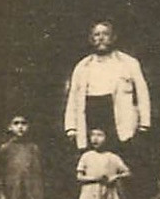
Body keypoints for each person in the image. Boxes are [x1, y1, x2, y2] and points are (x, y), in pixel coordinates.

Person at [63, 20, 151, 158]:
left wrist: (144, 124)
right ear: (91, 39)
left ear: (113, 37)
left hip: (119, 117)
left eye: (105, 34)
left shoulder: (129, 63)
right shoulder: (82, 66)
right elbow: (73, 97)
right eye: (97, 35)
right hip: (91, 114)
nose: (101, 38)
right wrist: (71, 128)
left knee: (121, 158)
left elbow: (142, 93)